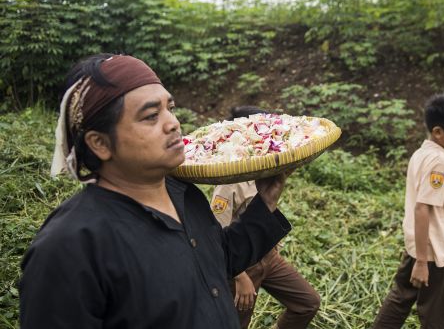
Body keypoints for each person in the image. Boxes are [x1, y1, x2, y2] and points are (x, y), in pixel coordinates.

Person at [19, 54, 292, 329]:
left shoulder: (184, 194)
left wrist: (266, 201)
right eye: (151, 116)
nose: (173, 123)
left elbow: (218, 261)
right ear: (100, 143)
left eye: (169, 108)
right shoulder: (70, 246)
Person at [210, 105, 320, 329]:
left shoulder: (267, 172)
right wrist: (240, 278)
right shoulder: (228, 182)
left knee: (308, 302)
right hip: (242, 267)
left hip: (268, 258)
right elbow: (217, 237)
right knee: (237, 323)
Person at [372, 94, 444, 329]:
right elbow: (422, 209)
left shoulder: (423, 154)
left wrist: (418, 257)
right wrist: (423, 262)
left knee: (401, 298)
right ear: (438, 132)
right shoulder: (438, 161)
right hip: (436, 253)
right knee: (439, 317)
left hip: (418, 246)